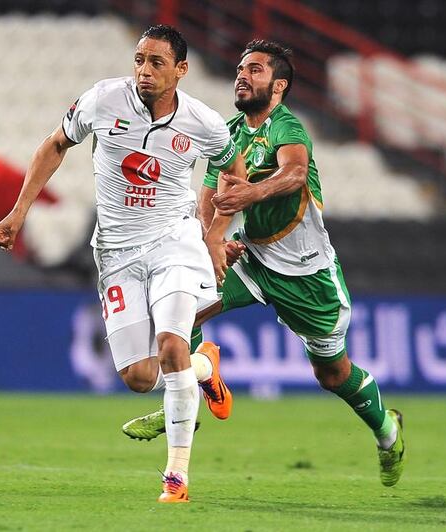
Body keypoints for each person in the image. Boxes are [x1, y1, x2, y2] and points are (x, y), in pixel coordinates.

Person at [123, 40, 406, 487]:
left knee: (332, 374)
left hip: (307, 275)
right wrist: (212, 243)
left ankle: (388, 432)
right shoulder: (229, 130)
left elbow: (294, 173)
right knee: (180, 316)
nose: (242, 75)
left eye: (254, 70)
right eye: (240, 68)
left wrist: (251, 194)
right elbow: (212, 192)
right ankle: (189, 395)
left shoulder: (288, 129)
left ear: (278, 86)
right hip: (253, 259)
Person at [0, 25, 248, 503]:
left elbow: (235, 174)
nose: (144, 71)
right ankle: (203, 367)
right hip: (115, 252)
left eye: (156, 62)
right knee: (137, 377)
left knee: (171, 341)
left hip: (174, 241)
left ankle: (176, 478)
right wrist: (19, 211)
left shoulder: (204, 122)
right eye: (139, 60)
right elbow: (55, 145)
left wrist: (215, 236)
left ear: (181, 70)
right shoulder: (103, 100)